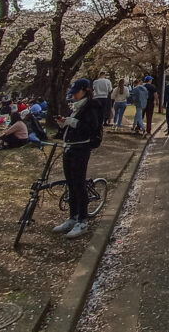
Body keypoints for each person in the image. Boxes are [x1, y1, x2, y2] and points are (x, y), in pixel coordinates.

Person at [53, 78, 102, 238]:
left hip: (82, 148)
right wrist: (63, 123)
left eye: (76, 92)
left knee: (79, 184)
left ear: (85, 91)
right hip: (69, 147)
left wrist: (72, 122)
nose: (74, 96)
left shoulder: (92, 106)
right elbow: (72, 124)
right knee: (71, 184)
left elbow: (90, 127)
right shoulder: (75, 107)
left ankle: (82, 220)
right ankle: (72, 217)